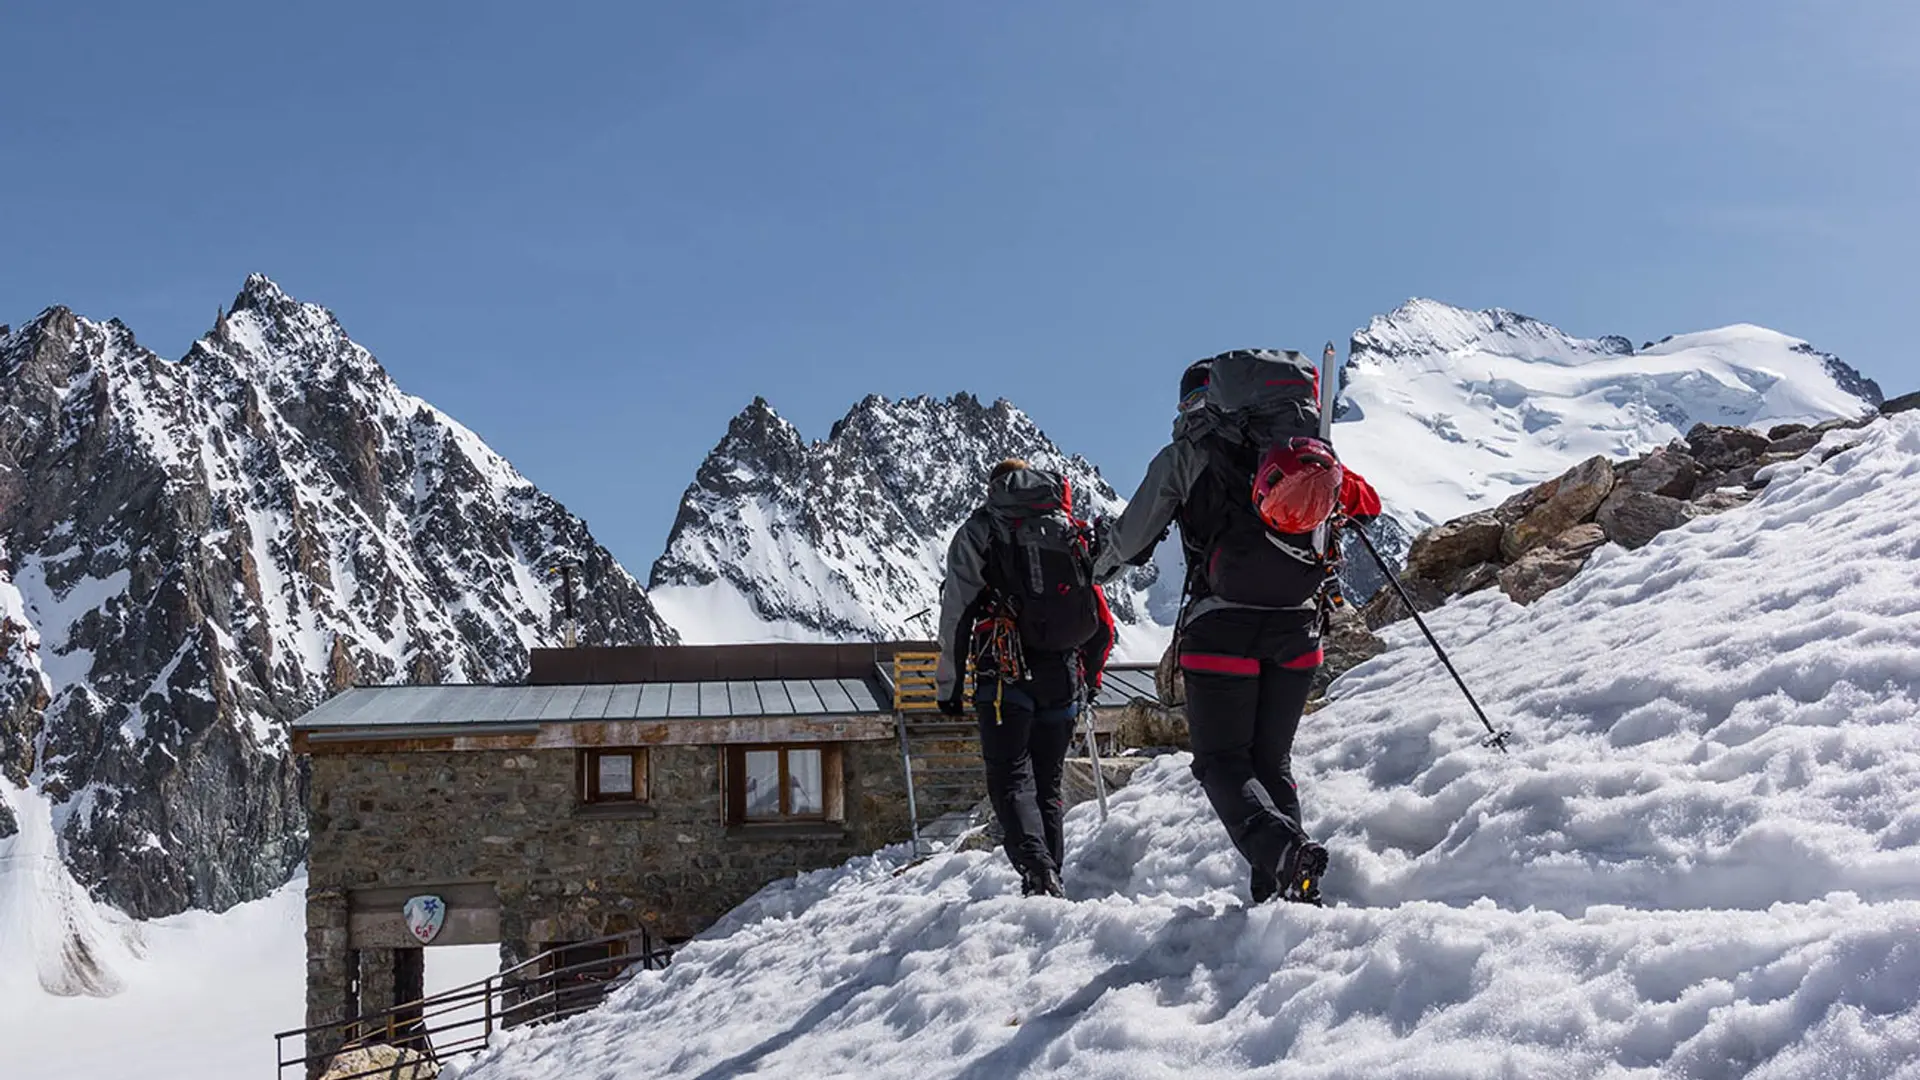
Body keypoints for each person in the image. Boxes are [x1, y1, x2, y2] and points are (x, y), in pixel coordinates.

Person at [1094, 349, 1381, 905]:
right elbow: (1365, 504)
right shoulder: (1300, 446)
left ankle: (1283, 855)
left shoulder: (1187, 454)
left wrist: (1094, 569)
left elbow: (1129, 541)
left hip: (1220, 631)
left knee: (1223, 761)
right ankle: (1281, 897)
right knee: (1271, 762)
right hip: (1298, 630)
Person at [936, 458, 1115, 898]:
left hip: (1005, 673)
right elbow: (1101, 620)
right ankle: (1053, 876)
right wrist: (1089, 680)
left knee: (1012, 779)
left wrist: (950, 685)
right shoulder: (1067, 529)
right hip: (1063, 675)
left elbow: (956, 614)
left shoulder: (981, 531)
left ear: (995, 488)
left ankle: (1037, 873)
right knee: (1048, 784)